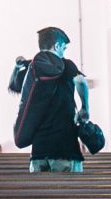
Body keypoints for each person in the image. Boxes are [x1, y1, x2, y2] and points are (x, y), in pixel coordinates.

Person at [10, 26, 90, 173]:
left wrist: (16, 67)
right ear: (57, 45)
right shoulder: (67, 65)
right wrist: (85, 108)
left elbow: (14, 87)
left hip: (38, 152)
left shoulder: (32, 68)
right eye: (64, 48)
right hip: (65, 148)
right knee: (69, 194)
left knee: (41, 194)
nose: (63, 52)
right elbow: (80, 81)